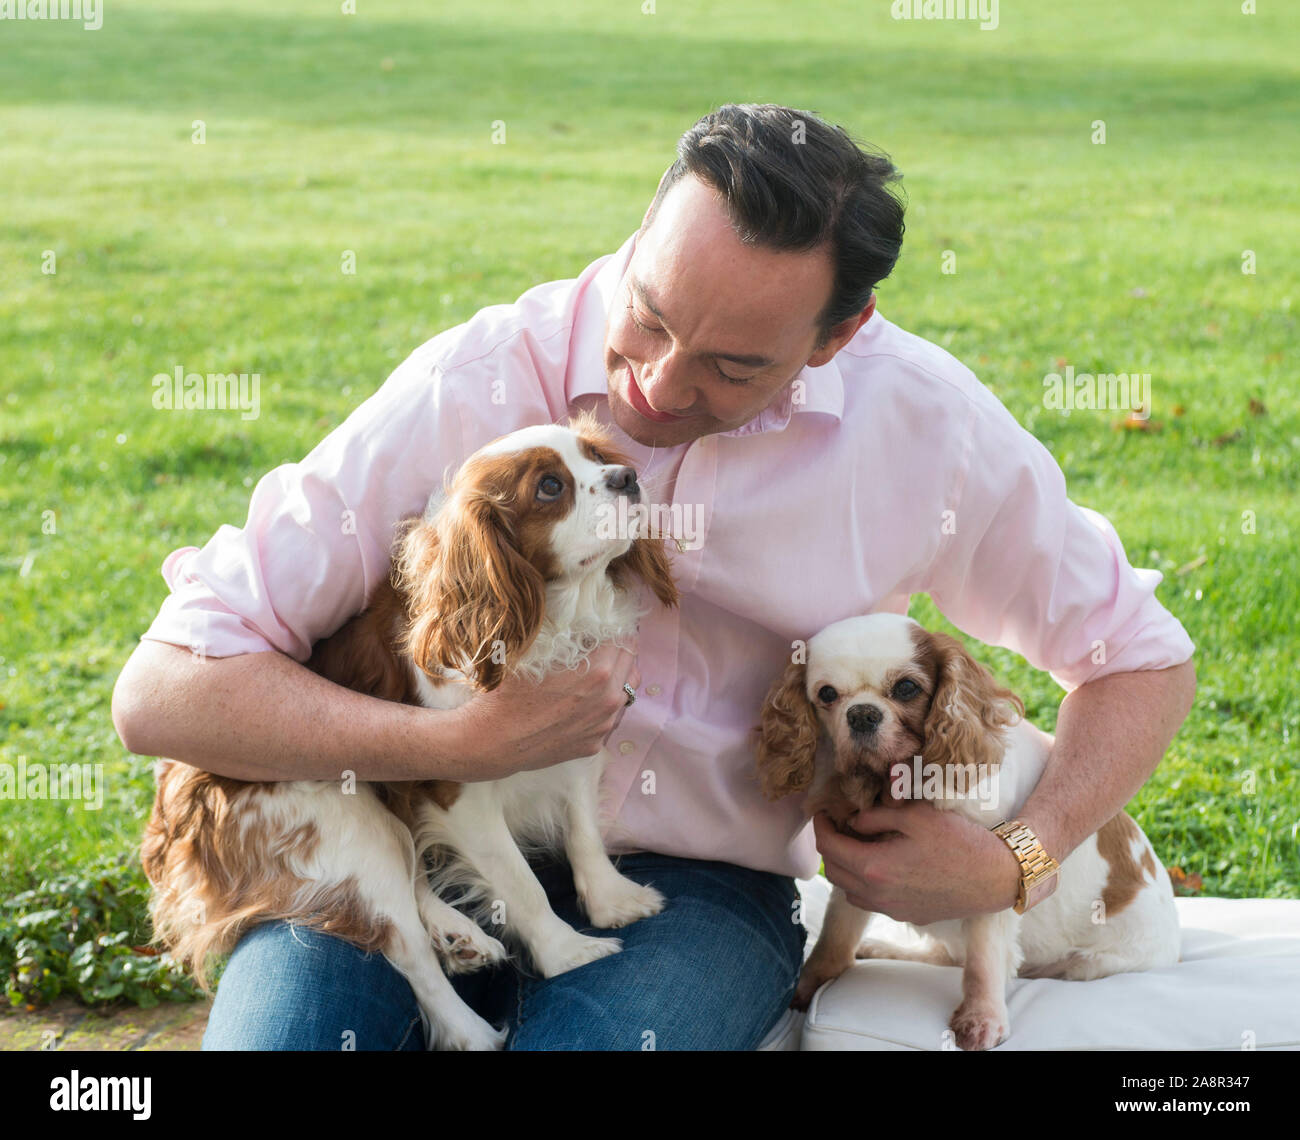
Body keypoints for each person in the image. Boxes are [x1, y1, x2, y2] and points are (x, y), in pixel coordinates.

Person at [112, 103, 1196, 1050]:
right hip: (397, 832)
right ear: (639, 231)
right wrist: (445, 746)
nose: (653, 389)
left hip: (701, 888)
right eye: (649, 315)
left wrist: (1017, 855)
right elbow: (162, 691)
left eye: (733, 366)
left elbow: (1142, 660)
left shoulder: (924, 427)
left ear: (838, 334)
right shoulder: (481, 381)